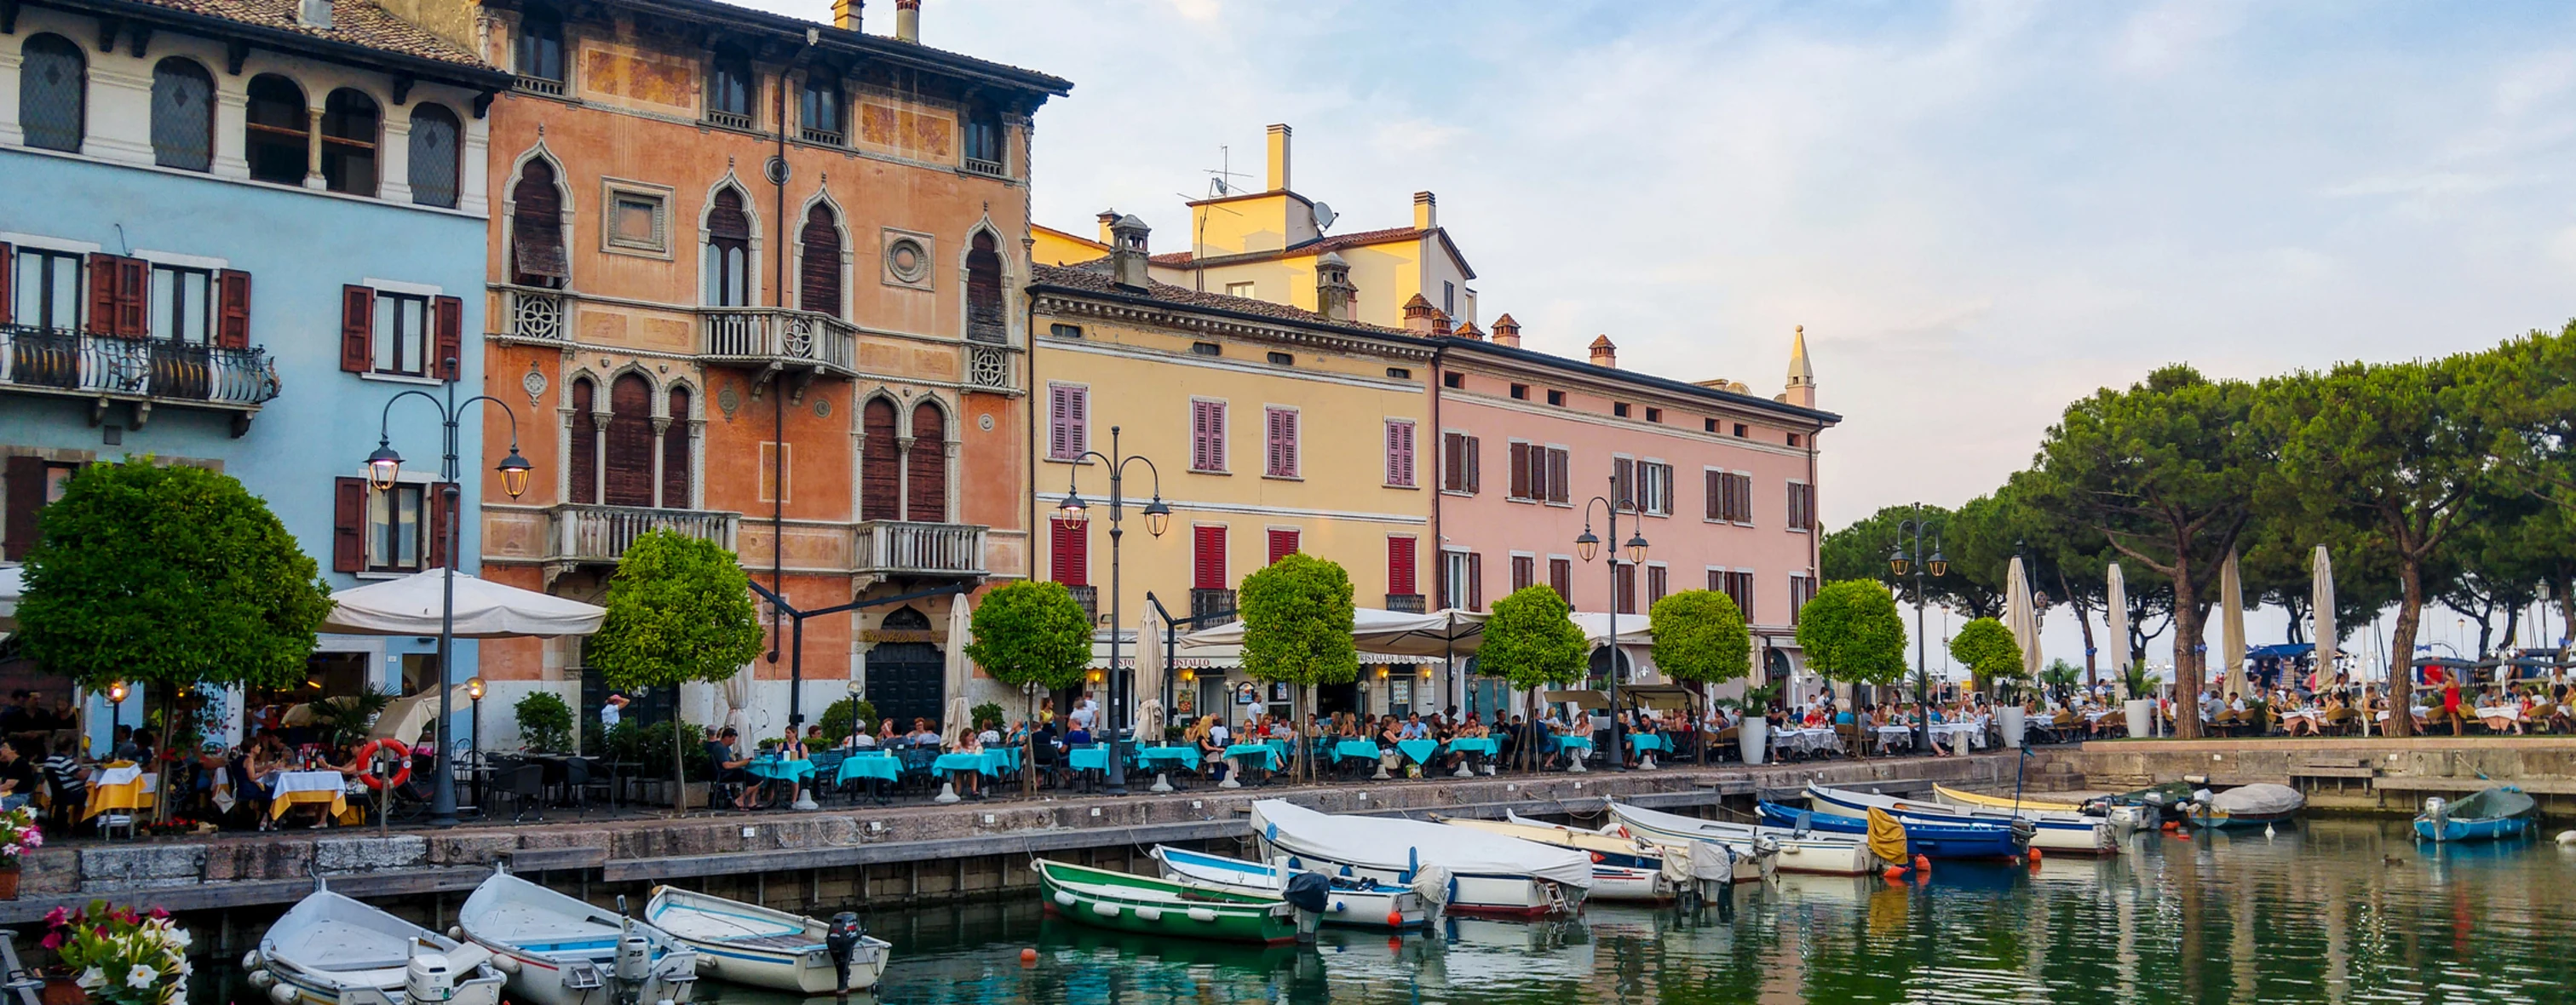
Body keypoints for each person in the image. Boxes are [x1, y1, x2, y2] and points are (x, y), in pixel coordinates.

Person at [705, 727, 759, 811]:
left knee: (756, 775)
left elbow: (732, 760)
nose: (733, 742)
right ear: (726, 737)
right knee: (757, 778)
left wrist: (744, 762)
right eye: (733, 739)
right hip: (725, 774)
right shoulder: (720, 748)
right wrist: (742, 763)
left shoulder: (725, 747)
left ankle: (752, 802)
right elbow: (727, 765)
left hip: (729, 772)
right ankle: (740, 799)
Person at [41, 734, 86, 831]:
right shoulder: (63, 761)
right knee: (92, 794)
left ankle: (77, 823)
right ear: (70, 747)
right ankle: (84, 825)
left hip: (59, 793)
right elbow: (81, 775)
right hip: (71, 793)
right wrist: (92, 771)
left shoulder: (50, 760)